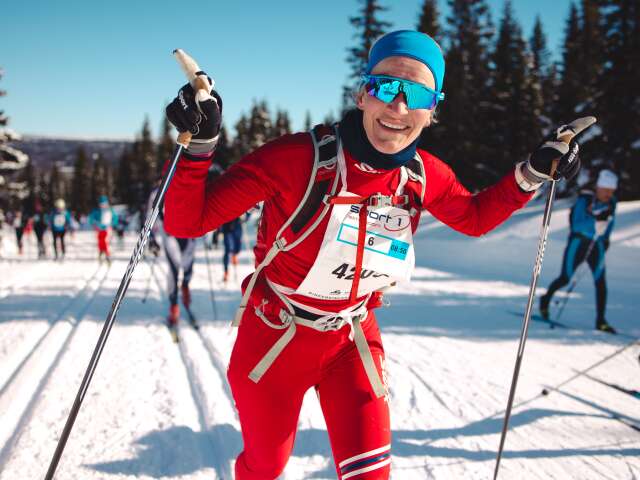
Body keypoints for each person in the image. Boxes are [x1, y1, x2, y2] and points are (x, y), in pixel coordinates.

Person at [163, 30, 590, 480]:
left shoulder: (424, 176)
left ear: (433, 109)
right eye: (386, 87)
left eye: (418, 93)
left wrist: (531, 174)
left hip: (352, 340)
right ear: (362, 93)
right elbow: (187, 222)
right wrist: (200, 145)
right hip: (275, 336)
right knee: (265, 466)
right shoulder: (297, 159)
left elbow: (474, 216)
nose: (398, 106)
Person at [540, 169, 618, 333]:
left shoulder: (612, 203)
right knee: (565, 278)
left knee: (600, 282)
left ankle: (601, 321)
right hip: (578, 243)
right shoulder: (585, 199)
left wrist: (606, 239)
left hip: (596, 245)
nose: (608, 194)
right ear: (599, 187)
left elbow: (610, 223)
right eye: (606, 190)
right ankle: (545, 300)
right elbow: (576, 224)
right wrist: (595, 223)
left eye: (611, 191)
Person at [146, 182, 197, 329]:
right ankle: (174, 306)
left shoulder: (189, 184)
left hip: (189, 233)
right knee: (174, 270)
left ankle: (185, 287)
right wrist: (151, 238)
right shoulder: (159, 190)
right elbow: (150, 213)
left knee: (188, 267)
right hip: (170, 235)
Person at [89, 194, 118, 264]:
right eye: (101, 204)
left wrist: (112, 224)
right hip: (99, 229)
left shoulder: (110, 210)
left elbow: (115, 218)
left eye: (104, 204)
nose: (103, 205)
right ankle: (101, 253)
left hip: (107, 230)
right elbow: (91, 219)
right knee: (100, 242)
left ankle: (108, 255)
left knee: (106, 242)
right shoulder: (96, 211)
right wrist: (95, 224)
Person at [222, 217, 243, 282]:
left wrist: (246, 216)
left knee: (237, 248)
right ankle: (226, 271)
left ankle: (234, 256)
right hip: (227, 225)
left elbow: (249, 210)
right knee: (228, 250)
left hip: (237, 224)